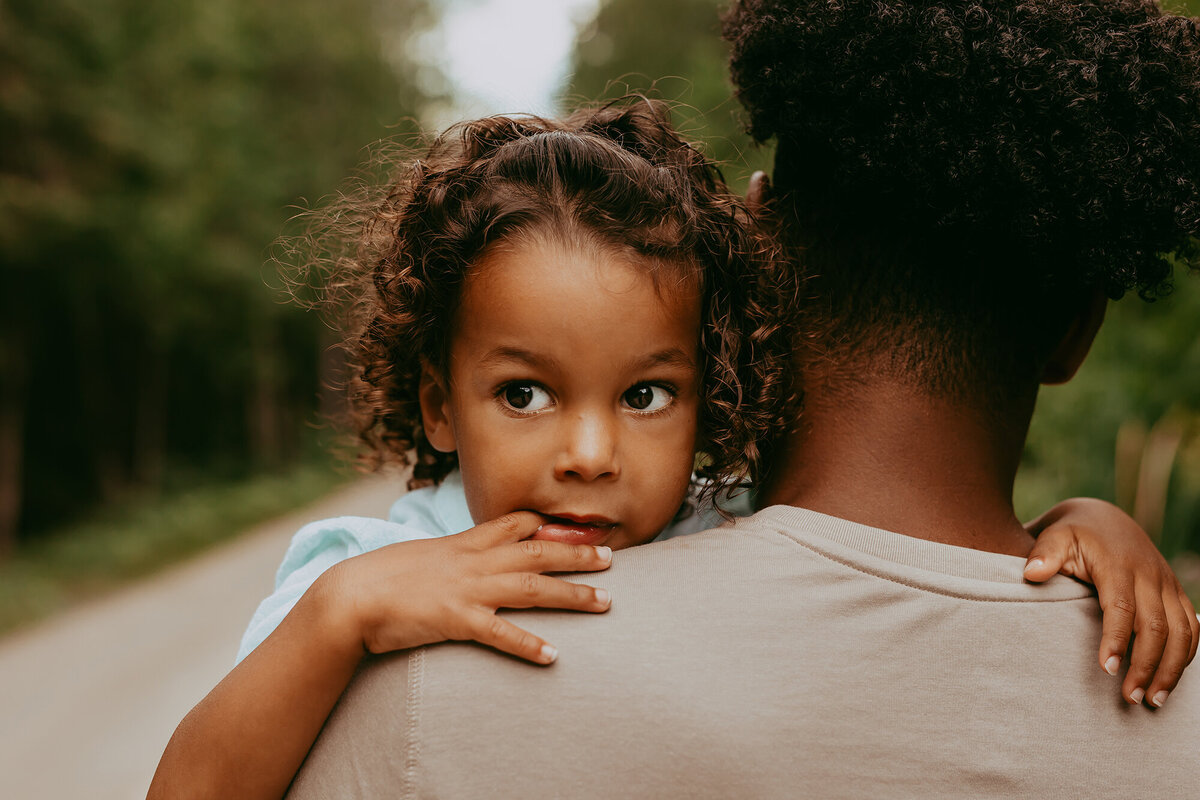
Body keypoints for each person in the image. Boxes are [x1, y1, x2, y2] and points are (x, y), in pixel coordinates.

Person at [275, 0, 1199, 797]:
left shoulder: (420, 685)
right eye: (525, 392)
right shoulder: (1163, 676)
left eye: (641, 394)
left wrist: (1079, 520)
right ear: (1077, 330)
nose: (590, 455)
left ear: (757, 246)